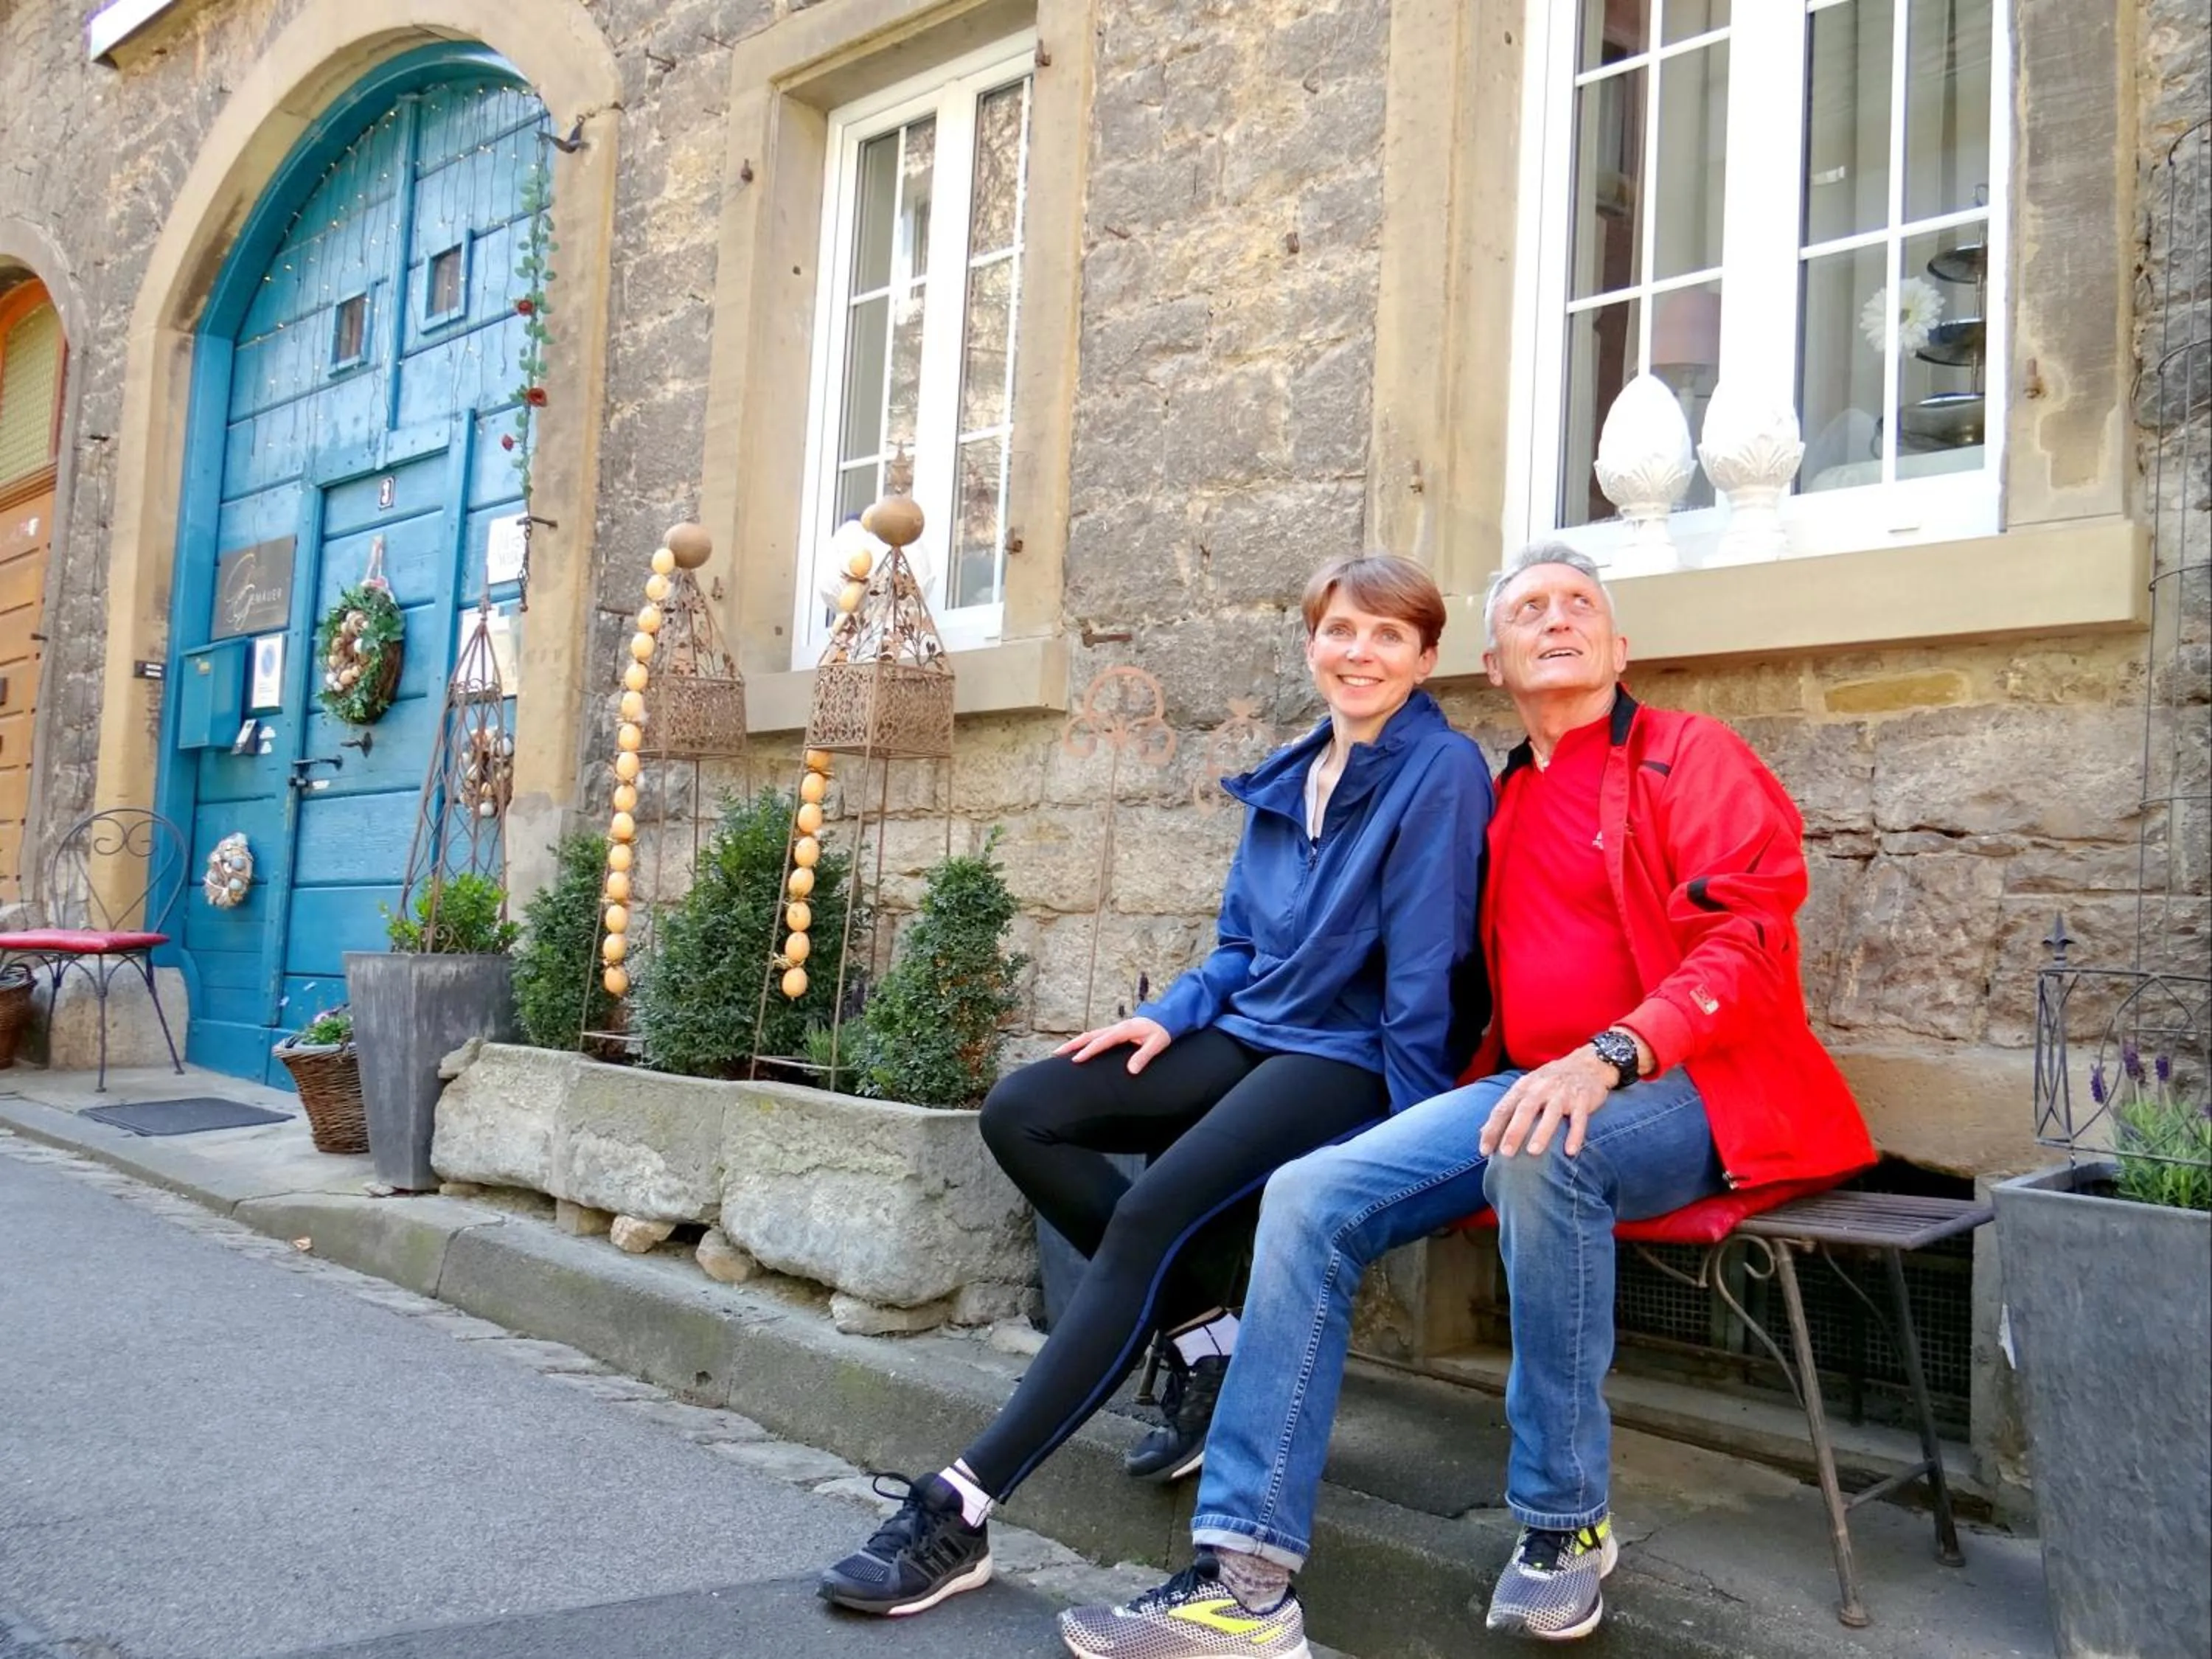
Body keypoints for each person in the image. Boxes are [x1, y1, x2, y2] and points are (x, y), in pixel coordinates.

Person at [1059, 543, 1877, 1655]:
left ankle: (1564, 1522)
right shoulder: (1498, 796)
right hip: (1520, 1085)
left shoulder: (1691, 754)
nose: (1557, 619)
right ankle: (1244, 1584)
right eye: (1529, 608)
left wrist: (1612, 1053)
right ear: (1493, 664)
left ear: (1620, 648)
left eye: (1579, 604)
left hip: (1693, 1082)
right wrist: (1219, 1016)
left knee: (1546, 1147)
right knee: (1309, 1191)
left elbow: (1748, 935)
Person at [815, 554, 1495, 1618]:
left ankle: (962, 1505)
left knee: (1150, 1212)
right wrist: (1170, 1014)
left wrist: (1409, 1136)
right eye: (1341, 630)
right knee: (1026, 1110)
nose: (1360, 652)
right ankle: (1205, 1339)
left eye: (1388, 636)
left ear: (1425, 657)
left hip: (1350, 1057)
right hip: (1255, 1027)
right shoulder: (1296, 771)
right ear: (1311, 642)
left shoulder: (1440, 770)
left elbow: (1427, 967)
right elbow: (1241, 944)